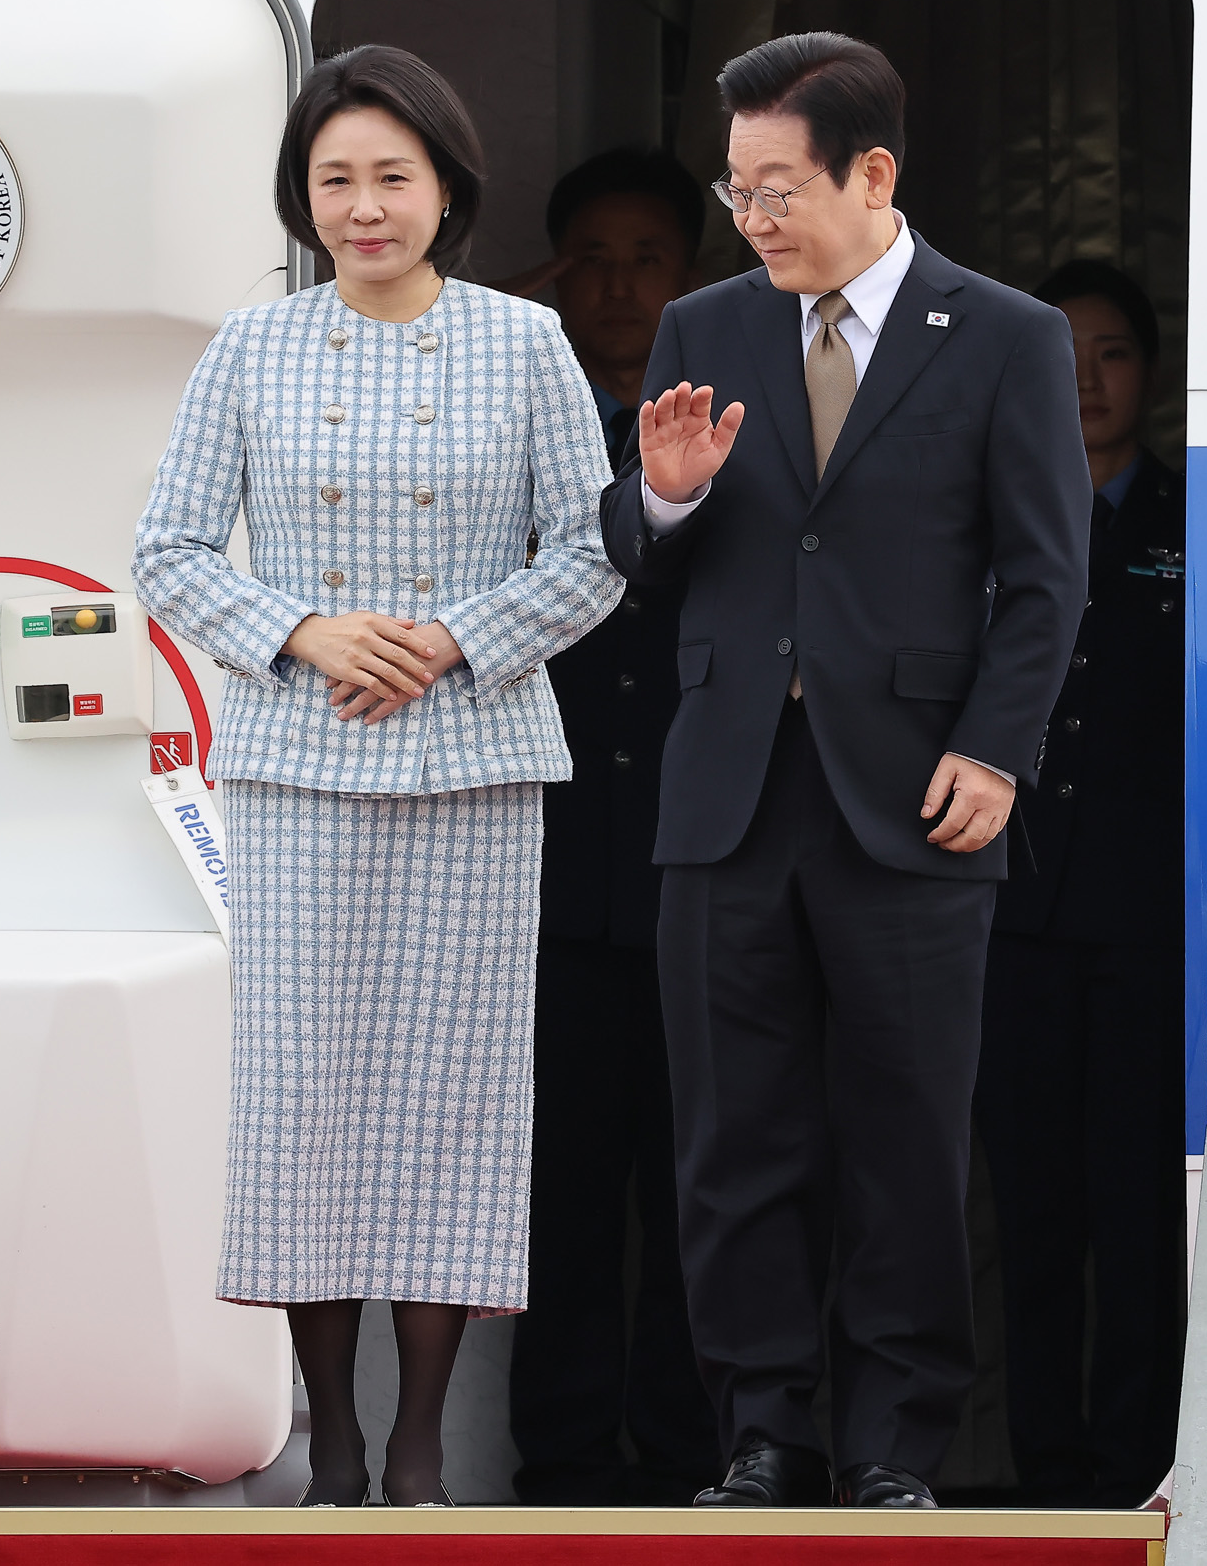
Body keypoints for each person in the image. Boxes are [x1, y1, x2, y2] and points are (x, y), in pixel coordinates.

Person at [599, 32, 1091, 1509]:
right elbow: (637, 566)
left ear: (873, 175)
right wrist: (664, 502)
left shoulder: (1004, 334)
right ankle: (763, 1427)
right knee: (732, 1136)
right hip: (730, 793)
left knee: (905, 1135)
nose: (750, 218)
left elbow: (1045, 577)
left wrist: (999, 751)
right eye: (734, 188)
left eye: (776, 187)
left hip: (922, 795)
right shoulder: (705, 327)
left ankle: (894, 1443)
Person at [132, 44, 623, 1509]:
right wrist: (302, 628)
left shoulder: (526, 345)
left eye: (391, 178)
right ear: (305, 197)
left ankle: (418, 1445)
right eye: (335, 180)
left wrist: (455, 641)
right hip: (298, 768)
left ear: (448, 189)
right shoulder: (249, 347)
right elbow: (165, 550)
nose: (363, 207)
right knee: (305, 1098)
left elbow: (592, 550)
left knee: (457, 1098)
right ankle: (327, 1440)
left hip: (475, 771)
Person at [504, 149, 719, 1507]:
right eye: (593, 257)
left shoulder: (742, 416)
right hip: (547, 870)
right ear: (554, 276)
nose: (619, 284)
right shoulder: (514, 418)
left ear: (688, 277)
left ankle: (698, 1459)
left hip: (709, 864)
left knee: (704, 1191)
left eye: (648, 257)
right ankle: (566, 1466)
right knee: (562, 1197)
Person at [973, 260, 1185, 1509]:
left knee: (1138, 1204)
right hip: (1012, 911)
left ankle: (1136, 1457)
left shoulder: (1197, 517)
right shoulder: (987, 510)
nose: (1086, 380)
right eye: (1059, 355)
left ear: (1147, 372)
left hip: (1149, 922)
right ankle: (1044, 1464)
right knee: (1030, 1202)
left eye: (1109, 352)